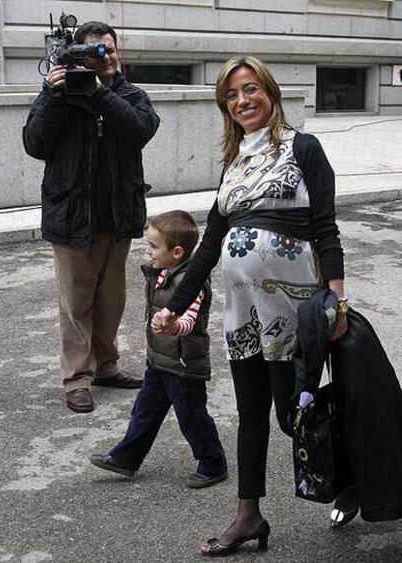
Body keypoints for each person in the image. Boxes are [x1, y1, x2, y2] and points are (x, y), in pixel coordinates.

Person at [157, 57, 348, 556]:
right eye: (231, 95)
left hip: (294, 308)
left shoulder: (304, 149)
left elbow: (325, 227)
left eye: (250, 89)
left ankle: (357, 478)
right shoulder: (233, 163)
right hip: (243, 314)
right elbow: (208, 248)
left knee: (293, 416)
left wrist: (338, 297)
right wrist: (177, 307)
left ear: (269, 90)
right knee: (249, 412)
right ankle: (248, 516)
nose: (242, 101)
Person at [22, 21, 160, 414]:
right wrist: (52, 94)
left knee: (111, 301)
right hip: (72, 217)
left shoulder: (130, 95)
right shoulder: (58, 97)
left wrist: (98, 93)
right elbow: (35, 143)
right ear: (77, 56)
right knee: (75, 303)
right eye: (96, 51)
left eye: (110, 49)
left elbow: (139, 130)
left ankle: (107, 367)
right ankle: (77, 378)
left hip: (117, 217)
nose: (107, 57)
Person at [89, 210, 228, 488]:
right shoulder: (164, 273)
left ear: (177, 252)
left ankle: (213, 463)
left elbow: (190, 320)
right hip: (159, 361)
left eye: (153, 246)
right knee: (144, 411)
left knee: (191, 417)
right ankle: (126, 457)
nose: (148, 251)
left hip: (183, 365)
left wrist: (174, 327)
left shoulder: (190, 282)